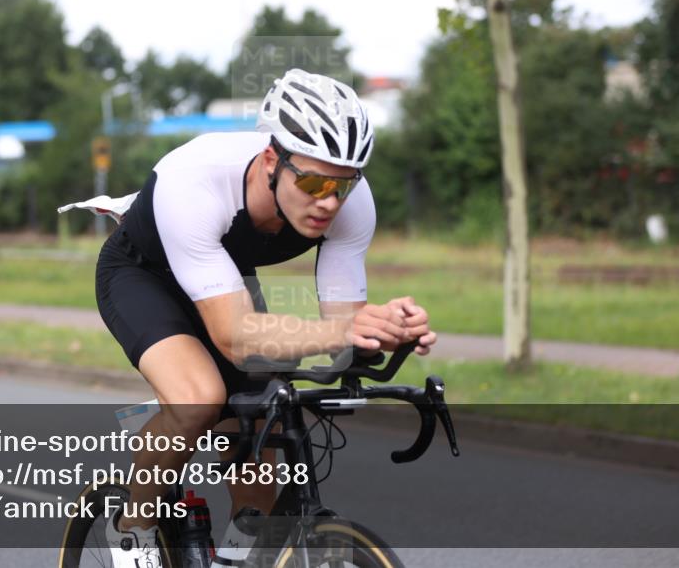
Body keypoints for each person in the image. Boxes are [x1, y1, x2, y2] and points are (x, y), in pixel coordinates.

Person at [96, 68, 437, 568]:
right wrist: (343, 330)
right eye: (315, 181)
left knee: (259, 428)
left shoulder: (351, 204)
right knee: (199, 400)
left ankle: (235, 558)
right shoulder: (193, 181)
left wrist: (385, 329)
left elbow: (341, 328)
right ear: (272, 159)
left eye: (343, 185)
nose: (328, 201)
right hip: (143, 272)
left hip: (223, 277)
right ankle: (132, 525)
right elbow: (235, 336)